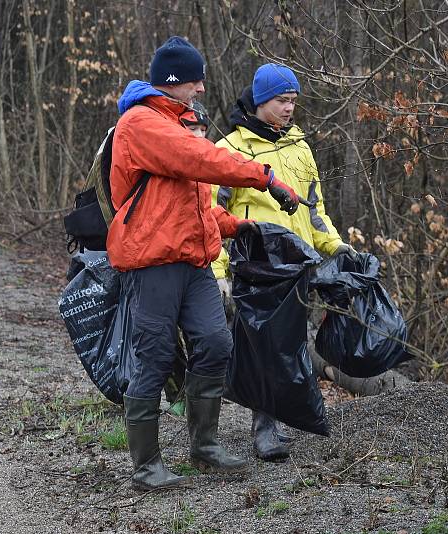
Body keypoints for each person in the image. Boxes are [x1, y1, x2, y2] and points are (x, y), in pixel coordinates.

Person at [108, 37, 302, 491]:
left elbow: (188, 203)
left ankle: (204, 445)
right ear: (173, 81)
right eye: (195, 81)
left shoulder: (181, 124)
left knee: (216, 341)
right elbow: (199, 160)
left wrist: (234, 225)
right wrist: (264, 177)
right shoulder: (141, 124)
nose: (200, 88)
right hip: (152, 262)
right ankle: (146, 465)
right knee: (154, 356)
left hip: (193, 261)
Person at [213, 63, 355, 462]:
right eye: (282, 101)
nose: (290, 108)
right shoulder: (231, 151)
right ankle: (262, 431)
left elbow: (315, 211)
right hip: (256, 266)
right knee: (262, 349)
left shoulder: (301, 147)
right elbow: (212, 213)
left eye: (293, 101)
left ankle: (275, 421)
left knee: (291, 347)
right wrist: (220, 270)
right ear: (261, 101)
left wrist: (334, 246)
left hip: (298, 267)